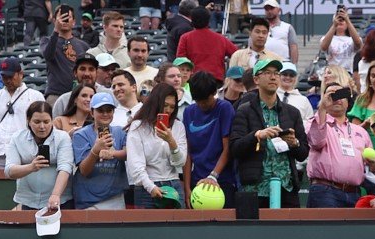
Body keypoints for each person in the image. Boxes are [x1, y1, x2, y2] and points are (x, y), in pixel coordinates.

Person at [229, 57, 306, 208]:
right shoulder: (244, 110)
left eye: (277, 73)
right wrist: (257, 136)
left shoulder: (292, 113)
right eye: (267, 73)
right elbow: (235, 148)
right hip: (255, 188)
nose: (273, 77)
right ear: (256, 79)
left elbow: (304, 152)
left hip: (287, 187)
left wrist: (294, 143)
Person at [301, 78, 374, 208]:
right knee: (326, 229)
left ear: (348, 101)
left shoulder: (360, 131)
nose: (336, 98)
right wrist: (322, 109)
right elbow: (317, 142)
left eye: (341, 94)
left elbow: (371, 167)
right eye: (331, 95)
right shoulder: (313, 122)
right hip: (325, 191)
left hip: (354, 192)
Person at [178, 71, 235, 206]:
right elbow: (188, 153)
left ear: (214, 93)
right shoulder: (189, 112)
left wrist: (213, 175)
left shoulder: (225, 108)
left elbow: (228, 147)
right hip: (197, 181)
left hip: (222, 180)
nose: (202, 104)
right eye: (198, 101)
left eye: (206, 100)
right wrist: (187, 188)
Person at [127, 82, 186, 207]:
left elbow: (180, 163)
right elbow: (135, 164)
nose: (168, 110)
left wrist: (171, 142)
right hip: (146, 187)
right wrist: (151, 187)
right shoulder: (138, 126)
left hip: (173, 184)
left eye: (172, 107)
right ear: (155, 103)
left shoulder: (178, 126)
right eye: (165, 105)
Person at [5, 99, 70, 212]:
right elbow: (9, 171)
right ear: (29, 121)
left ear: (52, 120)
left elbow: (65, 168)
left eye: (46, 122)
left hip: (60, 201)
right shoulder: (17, 138)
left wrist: (55, 195)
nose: (42, 126)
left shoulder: (63, 137)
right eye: (37, 122)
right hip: (28, 201)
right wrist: (31, 167)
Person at [0, 57, 42, 169]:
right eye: (4, 77)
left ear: (20, 74)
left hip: (24, 153)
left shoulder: (35, 96)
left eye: (11, 77)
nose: (7, 80)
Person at [69, 90, 127, 209]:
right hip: (88, 200)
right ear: (92, 112)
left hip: (114, 196)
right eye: (100, 110)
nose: (105, 114)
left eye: (109, 110)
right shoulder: (80, 135)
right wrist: (95, 151)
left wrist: (113, 153)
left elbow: (128, 154)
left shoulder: (120, 132)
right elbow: (84, 170)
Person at [42, 5, 90, 103]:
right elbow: (48, 55)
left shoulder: (83, 45)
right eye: (61, 18)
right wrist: (55, 31)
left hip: (78, 94)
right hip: (55, 95)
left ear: (74, 22)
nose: (64, 21)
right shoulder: (46, 41)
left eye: (68, 18)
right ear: (54, 21)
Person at [319, 8, 361, 75]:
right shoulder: (326, 38)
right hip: (332, 72)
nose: (340, 21)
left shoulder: (351, 40)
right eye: (338, 19)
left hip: (346, 72)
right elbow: (323, 47)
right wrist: (334, 25)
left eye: (343, 20)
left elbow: (358, 43)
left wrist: (347, 20)